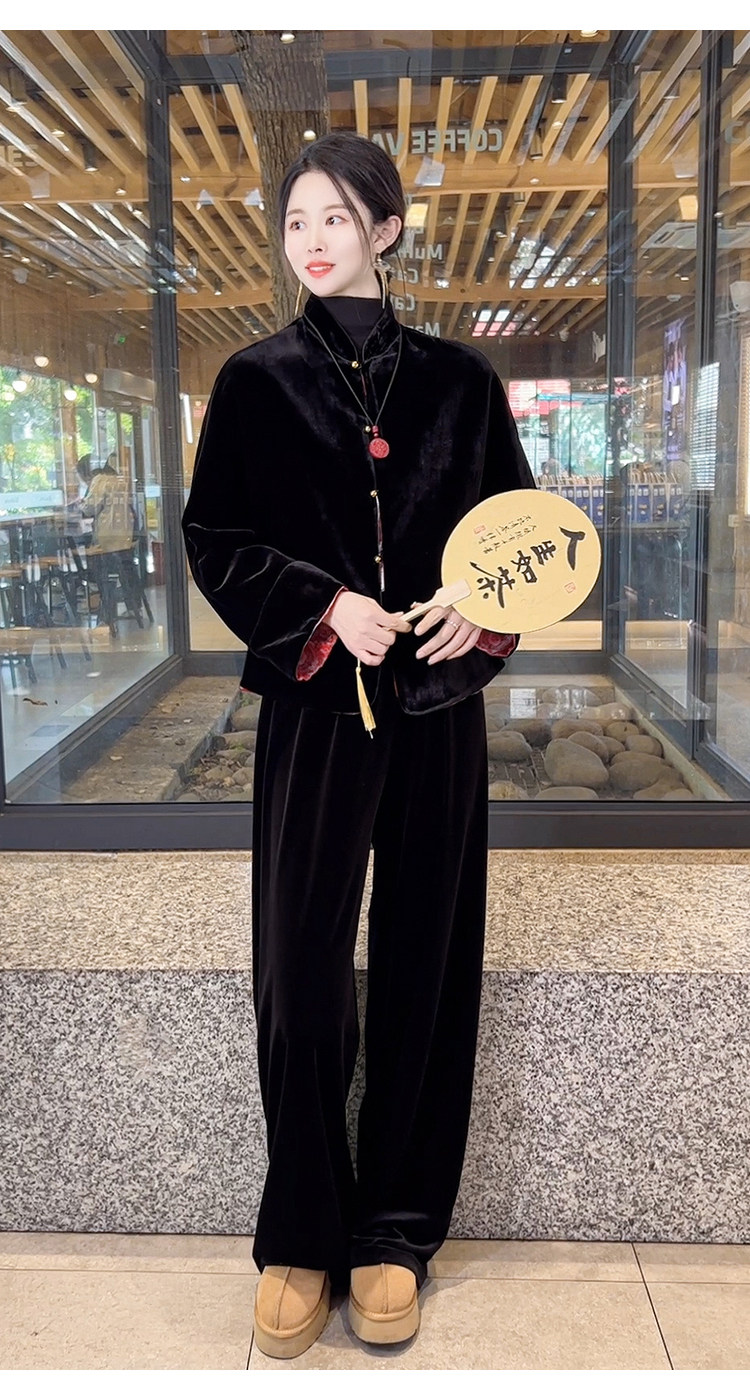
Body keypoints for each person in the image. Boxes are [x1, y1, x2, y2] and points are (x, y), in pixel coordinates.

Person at [181, 131, 535, 1360]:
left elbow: (520, 532)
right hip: (317, 710)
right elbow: (216, 538)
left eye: (335, 217)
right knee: (300, 965)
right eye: (296, 222)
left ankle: (394, 1228)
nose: (313, 241)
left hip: (435, 714)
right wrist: (324, 605)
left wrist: (479, 608)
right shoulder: (254, 382)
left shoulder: (462, 383)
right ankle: (303, 1228)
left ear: (385, 229)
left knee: (430, 958)